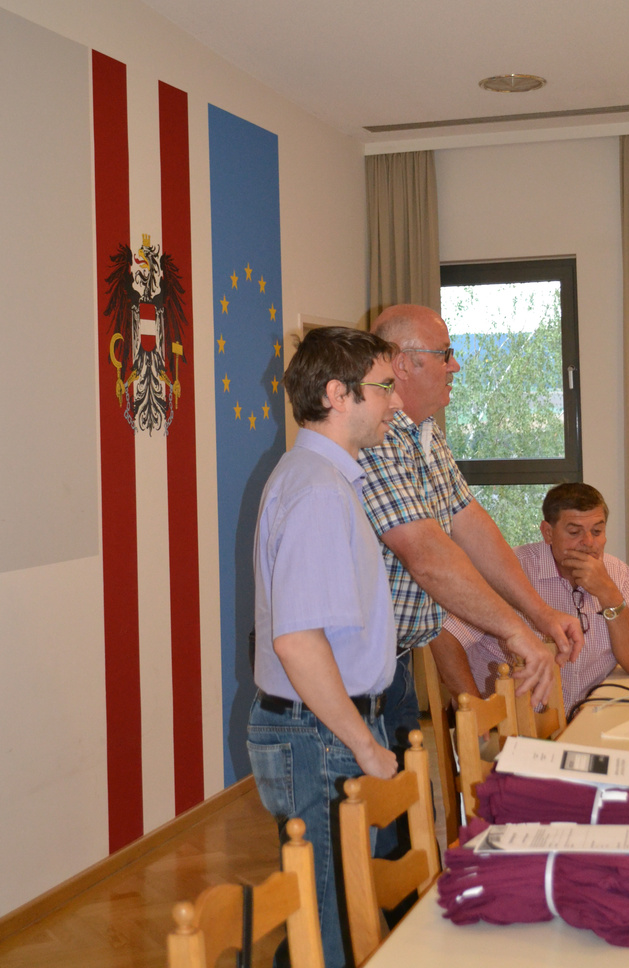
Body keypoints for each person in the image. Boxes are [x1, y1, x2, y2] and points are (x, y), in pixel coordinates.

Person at [358, 304, 585, 766]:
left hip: (391, 663)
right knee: (370, 807)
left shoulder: (425, 434)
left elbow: (471, 525)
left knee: (402, 802)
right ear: (403, 363)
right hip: (351, 667)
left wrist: (539, 613)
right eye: (445, 353)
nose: (455, 365)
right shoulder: (377, 438)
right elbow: (427, 557)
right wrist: (515, 630)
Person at [246, 327, 401, 968]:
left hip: (322, 726)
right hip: (320, 733)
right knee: (332, 925)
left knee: (331, 910)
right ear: (339, 394)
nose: (395, 402)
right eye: (384, 387)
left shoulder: (323, 478)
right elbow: (298, 643)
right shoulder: (317, 489)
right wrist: (363, 743)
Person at [438, 482, 629, 717]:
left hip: (590, 720)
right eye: (574, 532)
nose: (588, 543)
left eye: (596, 531)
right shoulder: (509, 571)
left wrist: (609, 594)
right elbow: (445, 635)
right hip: (512, 724)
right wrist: (476, 712)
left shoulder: (617, 573)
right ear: (548, 533)